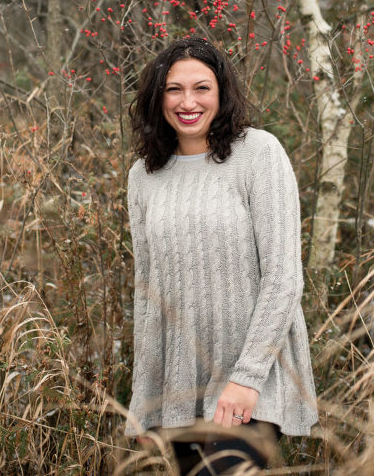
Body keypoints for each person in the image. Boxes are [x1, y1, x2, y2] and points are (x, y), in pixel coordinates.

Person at [124, 37, 318, 474]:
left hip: (253, 375)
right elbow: (148, 294)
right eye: (174, 89)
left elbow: (284, 277)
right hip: (179, 384)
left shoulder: (258, 154)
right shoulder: (144, 176)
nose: (187, 102)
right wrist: (144, 397)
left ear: (222, 93)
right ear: (157, 97)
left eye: (202, 88)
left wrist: (247, 378)